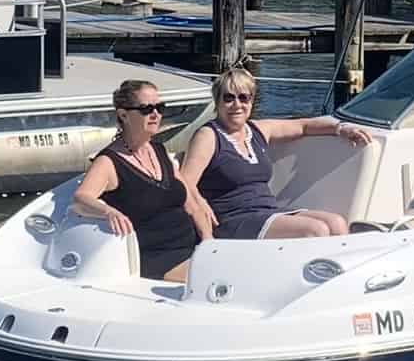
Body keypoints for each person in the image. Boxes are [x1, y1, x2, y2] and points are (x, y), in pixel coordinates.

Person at [180, 64, 373, 239]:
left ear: (252, 101)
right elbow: (186, 181)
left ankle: (332, 275)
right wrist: (201, 204)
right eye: (229, 98)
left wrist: (341, 128)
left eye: (243, 97)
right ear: (218, 101)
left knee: (336, 223)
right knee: (315, 230)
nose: (237, 105)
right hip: (232, 219)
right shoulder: (208, 136)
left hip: (267, 211)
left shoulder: (256, 130)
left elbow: (303, 126)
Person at [71, 78, 214, 279]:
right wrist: (109, 211)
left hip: (194, 249)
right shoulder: (108, 162)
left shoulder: (160, 150)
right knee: (227, 278)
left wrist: (209, 244)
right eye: (146, 109)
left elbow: (192, 206)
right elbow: (80, 200)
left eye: (159, 107)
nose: (155, 114)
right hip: (157, 260)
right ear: (123, 115)